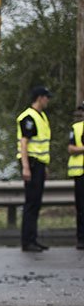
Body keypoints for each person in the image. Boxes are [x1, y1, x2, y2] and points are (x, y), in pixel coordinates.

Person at [16, 86, 52, 252]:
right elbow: (24, 142)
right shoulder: (28, 117)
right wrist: (25, 167)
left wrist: (44, 166)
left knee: (36, 203)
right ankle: (27, 241)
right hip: (31, 162)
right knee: (31, 203)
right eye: (46, 97)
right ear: (39, 98)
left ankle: (33, 239)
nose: (48, 100)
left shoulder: (41, 116)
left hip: (39, 164)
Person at [68, 102, 84, 249]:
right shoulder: (76, 128)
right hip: (80, 173)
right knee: (81, 208)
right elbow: (71, 148)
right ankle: (81, 239)